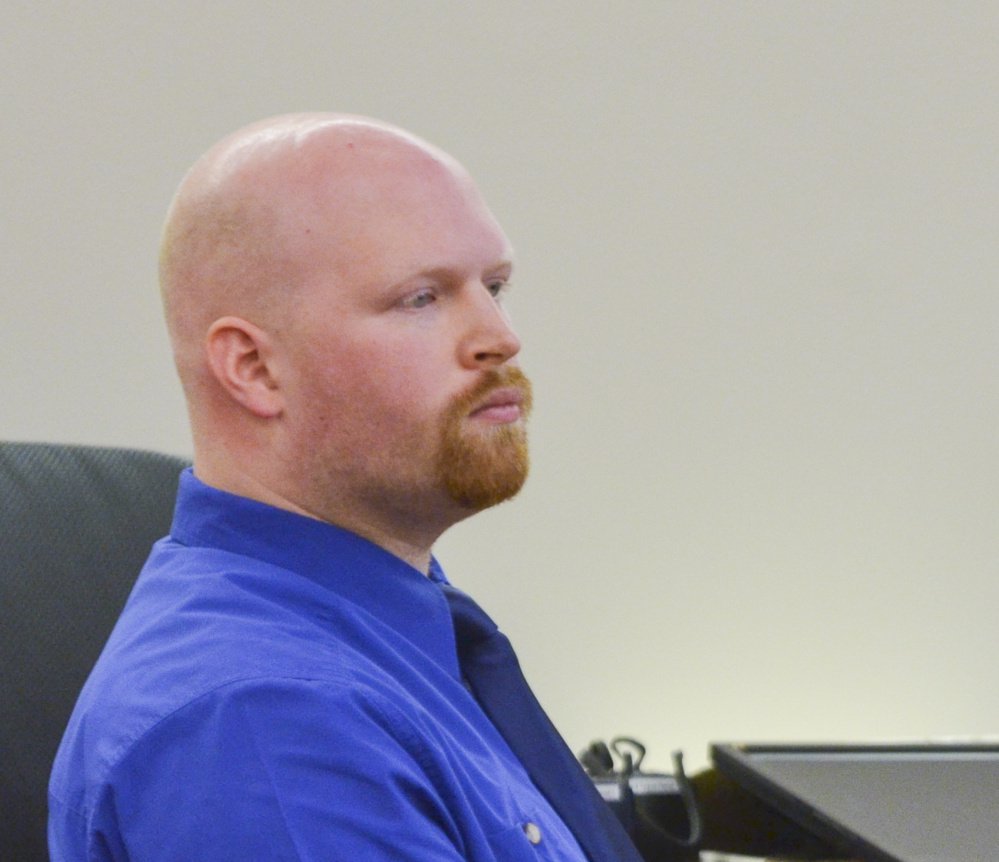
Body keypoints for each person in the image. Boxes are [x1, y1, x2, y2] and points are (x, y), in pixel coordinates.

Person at [48, 114, 641, 861]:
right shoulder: (267, 726)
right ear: (255, 369)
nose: (498, 335)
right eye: (421, 298)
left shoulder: (388, 632)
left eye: (494, 286)